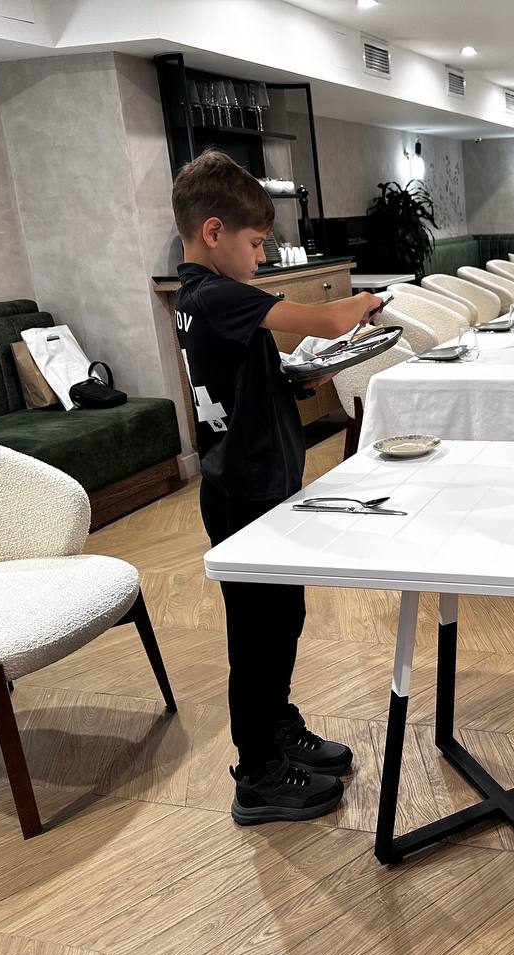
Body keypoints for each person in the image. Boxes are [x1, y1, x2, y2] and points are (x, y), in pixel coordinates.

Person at [171, 149, 383, 825]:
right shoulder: (214, 294)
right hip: (242, 491)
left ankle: (278, 724)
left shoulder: (203, 300)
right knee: (255, 634)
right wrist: (366, 303)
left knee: (282, 616)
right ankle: (256, 772)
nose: (261, 257)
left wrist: (298, 379)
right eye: (256, 242)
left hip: (260, 480)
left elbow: (240, 380)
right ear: (213, 232)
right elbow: (327, 320)